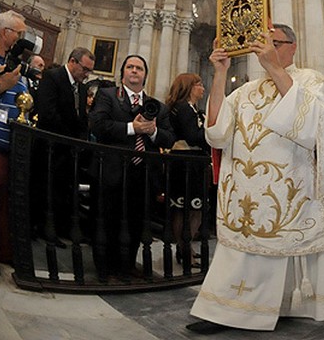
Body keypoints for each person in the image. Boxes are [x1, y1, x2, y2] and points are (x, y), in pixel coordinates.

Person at [188, 23, 324, 333]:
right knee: (243, 250)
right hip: (247, 197)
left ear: (293, 46)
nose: (267, 50)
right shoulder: (246, 91)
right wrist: (221, 73)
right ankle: (228, 311)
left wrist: (274, 69)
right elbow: (216, 133)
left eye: (275, 44)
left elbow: (315, 130)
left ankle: (288, 305)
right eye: (263, 45)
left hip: (292, 193)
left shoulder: (312, 83)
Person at [88, 54, 175, 277]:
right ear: (123, 72)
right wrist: (132, 128)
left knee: (136, 222)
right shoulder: (107, 96)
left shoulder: (157, 107)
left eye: (139, 68)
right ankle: (105, 268)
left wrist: (153, 131)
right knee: (108, 219)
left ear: (145, 75)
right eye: (130, 67)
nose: (134, 71)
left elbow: (169, 138)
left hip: (143, 174)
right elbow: (98, 125)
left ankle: (126, 266)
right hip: (112, 171)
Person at [34, 47, 95, 241]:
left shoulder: (83, 87)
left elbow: (82, 117)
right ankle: (41, 228)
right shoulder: (53, 77)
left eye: (89, 71)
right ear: (73, 62)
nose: (86, 75)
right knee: (47, 189)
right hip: (51, 146)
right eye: (85, 69)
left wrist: (82, 138)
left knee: (63, 191)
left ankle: (59, 230)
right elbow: (48, 113)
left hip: (70, 151)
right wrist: (70, 137)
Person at [0, 9, 28, 275]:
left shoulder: (11, 60)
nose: (21, 39)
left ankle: (2, 250)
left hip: (9, 144)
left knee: (3, 201)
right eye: (19, 33)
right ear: (5, 33)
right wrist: (0, 86)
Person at [165, 73, 208, 267]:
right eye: (199, 84)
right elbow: (192, 136)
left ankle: (186, 248)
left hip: (190, 163)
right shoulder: (184, 109)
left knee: (191, 209)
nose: (202, 88)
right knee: (187, 209)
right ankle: (184, 251)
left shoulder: (189, 109)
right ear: (189, 87)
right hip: (186, 164)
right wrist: (209, 129)